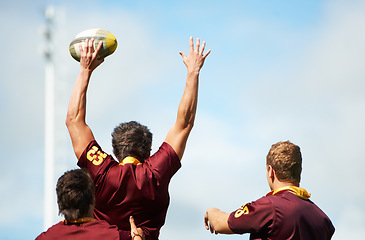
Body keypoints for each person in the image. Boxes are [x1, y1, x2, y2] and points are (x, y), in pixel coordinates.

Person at [65, 37, 210, 240]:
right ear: (149, 152)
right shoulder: (156, 171)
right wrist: (193, 72)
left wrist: (85, 70)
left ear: (115, 151)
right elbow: (184, 123)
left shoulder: (103, 170)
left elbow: (74, 121)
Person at [204, 141, 335, 240]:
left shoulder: (268, 207)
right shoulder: (323, 220)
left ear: (270, 171)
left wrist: (212, 212)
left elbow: (219, 223)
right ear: (299, 171)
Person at [36, 169, 145, 240]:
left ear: (60, 203)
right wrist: (138, 237)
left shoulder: (44, 238)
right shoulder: (115, 236)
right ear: (92, 200)